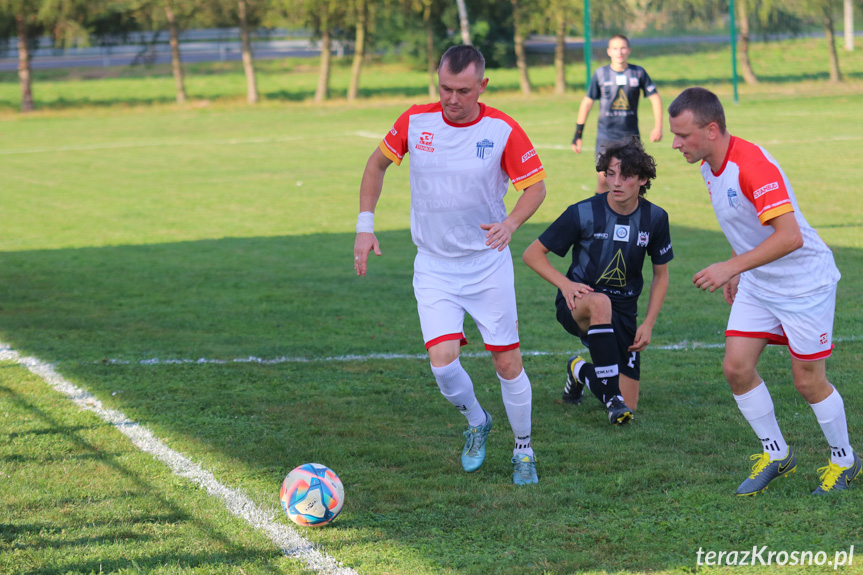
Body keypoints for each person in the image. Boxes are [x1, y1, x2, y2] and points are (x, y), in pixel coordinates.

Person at [353, 45, 547, 485]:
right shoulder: (414, 121)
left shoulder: (502, 129)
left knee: (507, 363)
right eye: (445, 88)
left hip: (486, 264)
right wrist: (366, 225)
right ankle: (478, 422)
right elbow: (376, 165)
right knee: (442, 363)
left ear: (483, 85)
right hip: (435, 266)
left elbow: (535, 187)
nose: (452, 98)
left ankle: (523, 449)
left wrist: (511, 223)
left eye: (462, 90)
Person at [668, 86, 859, 496]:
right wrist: (740, 267)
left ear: (712, 130)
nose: (675, 143)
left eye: (683, 135)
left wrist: (730, 267)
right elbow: (747, 226)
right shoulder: (708, 167)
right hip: (760, 281)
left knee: (808, 382)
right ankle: (777, 454)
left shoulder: (751, 165)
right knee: (736, 368)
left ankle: (845, 459)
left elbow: (789, 237)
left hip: (803, 284)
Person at [523, 139, 672, 424]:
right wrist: (565, 285)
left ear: (642, 179)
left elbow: (661, 275)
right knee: (601, 303)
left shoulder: (655, 218)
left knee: (632, 402)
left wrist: (649, 323)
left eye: (625, 176)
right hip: (579, 302)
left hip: (625, 312)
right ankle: (612, 399)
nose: (615, 182)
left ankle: (579, 371)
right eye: (610, 174)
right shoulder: (583, 212)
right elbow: (532, 254)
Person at [571, 34, 663, 195]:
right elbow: (587, 103)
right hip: (606, 135)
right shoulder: (600, 74)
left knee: (634, 182)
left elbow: (655, 98)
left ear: (629, 50)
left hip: (631, 137)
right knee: (603, 180)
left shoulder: (638, 73)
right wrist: (578, 134)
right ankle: (601, 219)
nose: (619, 52)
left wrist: (658, 127)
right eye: (615, 48)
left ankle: (632, 219)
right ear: (608, 52)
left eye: (622, 48)